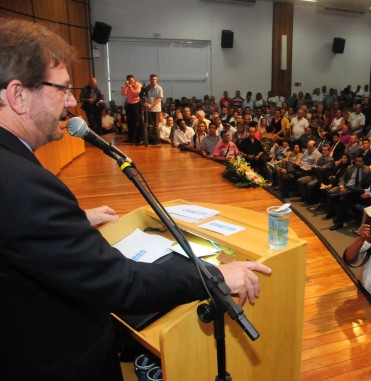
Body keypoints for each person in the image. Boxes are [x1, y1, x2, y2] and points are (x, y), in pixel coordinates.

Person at [0, 18, 271, 380]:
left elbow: (18, 234)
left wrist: (71, 221)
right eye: (62, 89)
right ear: (18, 95)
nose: (72, 101)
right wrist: (215, 275)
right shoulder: (22, 184)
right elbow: (119, 283)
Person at [121, 74, 143, 145]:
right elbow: (123, 93)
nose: (132, 82)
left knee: (136, 122)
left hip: (136, 104)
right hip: (129, 105)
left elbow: (136, 94)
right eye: (130, 81)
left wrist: (130, 87)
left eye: (133, 80)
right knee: (129, 122)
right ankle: (130, 138)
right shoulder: (128, 86)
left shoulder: (138, 85)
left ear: (134, 79)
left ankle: (136, 138)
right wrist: (126, 86)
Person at [146, 73, 163, 144]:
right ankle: (151, 139)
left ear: (157, 80)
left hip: (156, 109)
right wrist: (147, 104)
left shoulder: (159, 88)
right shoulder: (147, 88)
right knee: (150, 125)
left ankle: (157, 140)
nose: (153, 80)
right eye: (152, 79)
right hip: (148, 109)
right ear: (150, 80)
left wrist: (151, 105)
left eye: (155, 79)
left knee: (156, 125)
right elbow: (144, 97)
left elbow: (160, 99)